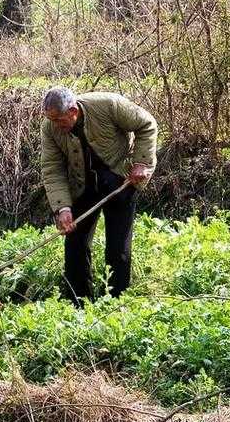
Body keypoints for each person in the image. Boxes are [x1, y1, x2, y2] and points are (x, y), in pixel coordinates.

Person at [39, 86, 158, 306]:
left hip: (119, 182)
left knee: (118, 249)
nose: (55, 126)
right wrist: (62, 208)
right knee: (75, 244)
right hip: (81, 187)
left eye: (59, 120)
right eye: (51, 120)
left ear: (73, 110)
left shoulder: (108, 105)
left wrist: (141, 163)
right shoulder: (49, 128)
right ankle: (78, 303)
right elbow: (51, 168)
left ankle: (116, 303)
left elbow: (146, 124)